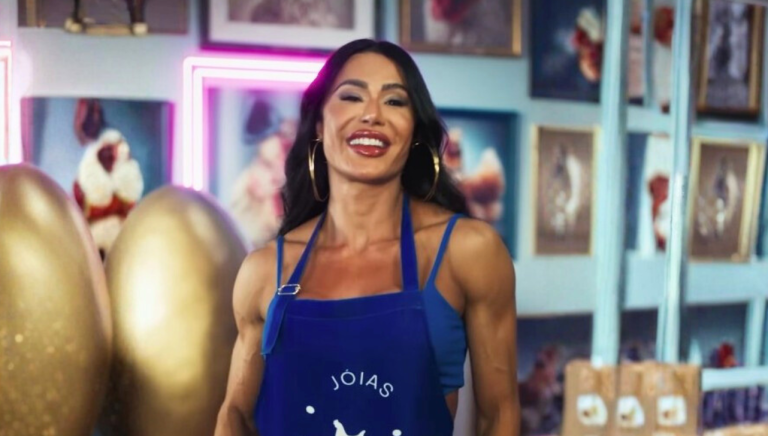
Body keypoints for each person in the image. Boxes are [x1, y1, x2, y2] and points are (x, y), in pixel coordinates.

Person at [213, 39, 519, 436]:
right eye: (352, 96)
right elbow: (235, 415)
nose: (372, 114)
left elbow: (500, 416)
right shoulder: (263, 270)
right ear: (319, 124)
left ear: (414, 131)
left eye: (394, 101)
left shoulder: (467, 251)